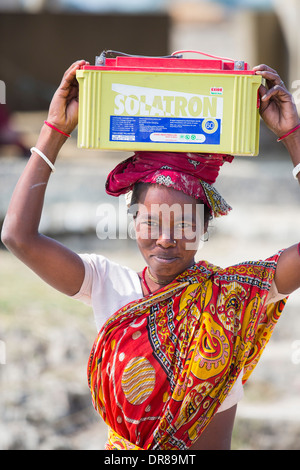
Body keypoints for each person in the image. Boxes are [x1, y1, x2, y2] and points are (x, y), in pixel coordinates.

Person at [1, 60, 300, 451]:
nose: (166, 239)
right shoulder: (107, 285)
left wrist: (293, 135)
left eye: (184, 223)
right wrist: (54, 131)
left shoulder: (232, 295)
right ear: (132, 220)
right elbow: (17, 236)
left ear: (205, 228)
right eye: (152, 222)